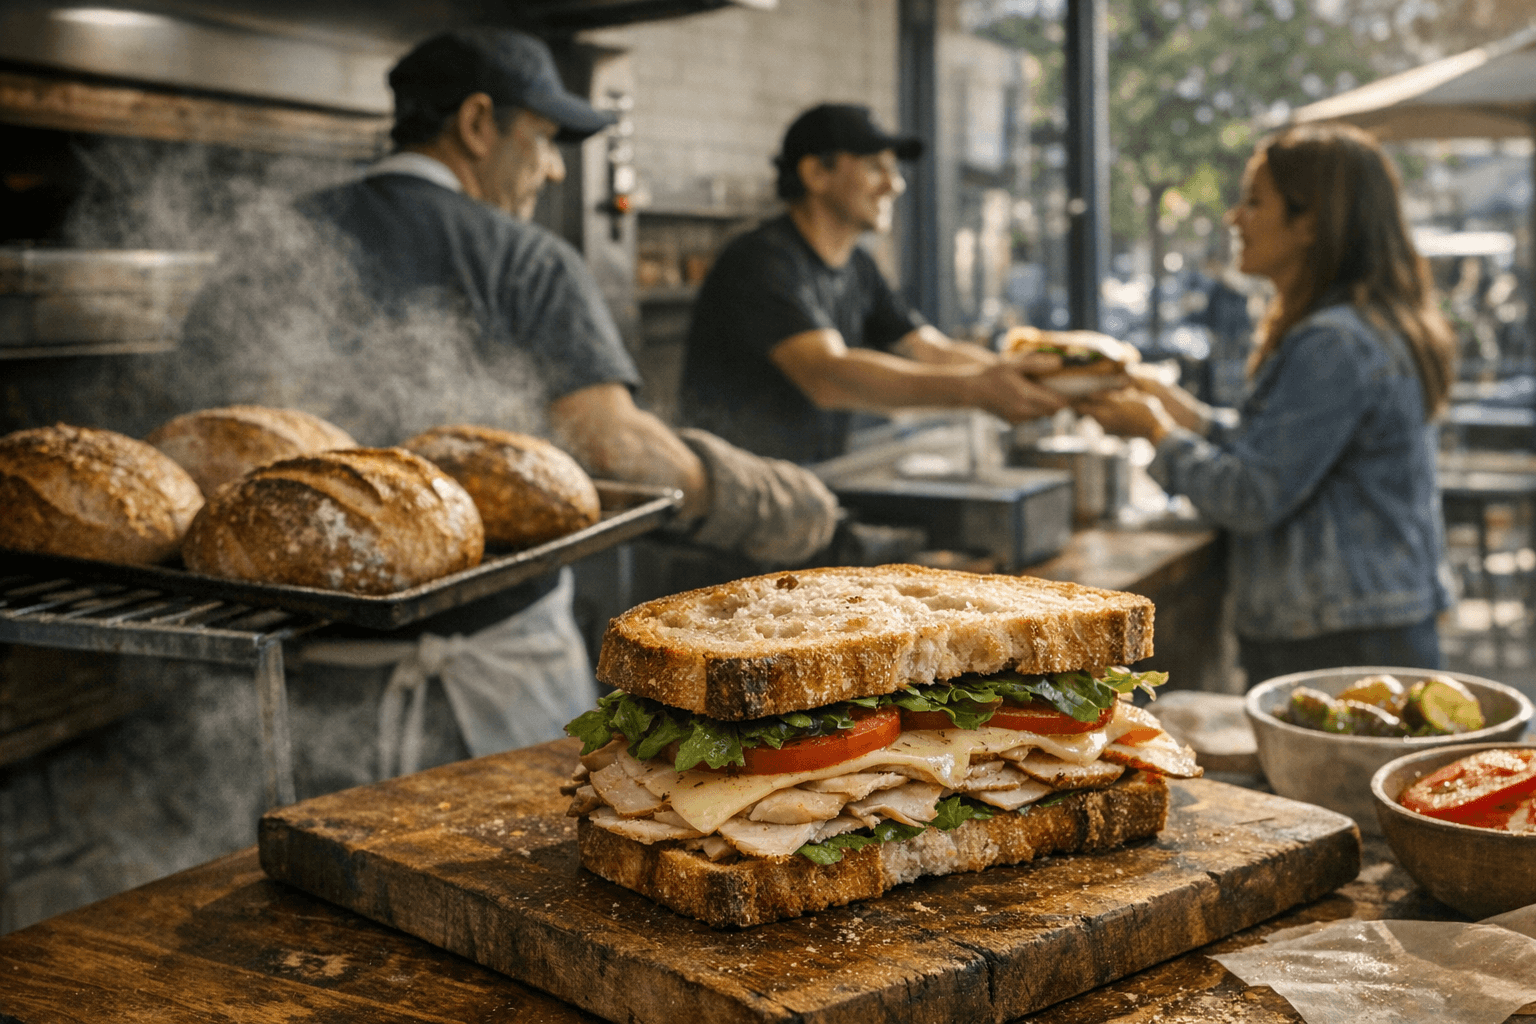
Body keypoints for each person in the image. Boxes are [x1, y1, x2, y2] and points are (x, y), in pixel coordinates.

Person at [182, 29, 840, 779]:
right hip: (488, 690)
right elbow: (614, 447)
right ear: (476, 123)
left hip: (299, 692)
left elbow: (202, 447)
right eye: (545, 138)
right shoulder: (525, 259)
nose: (556, 168)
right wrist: (765, 500)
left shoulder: (268, 244)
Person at [1077, 123, 1457, 685]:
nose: (1235, 218)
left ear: (1311, 223)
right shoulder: (1361, 326)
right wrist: (1171, 406)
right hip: (1364, 622)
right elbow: (1279, 448)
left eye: (1255, 202)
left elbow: (1252, 494)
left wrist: (1155, 433)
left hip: (1339, 638)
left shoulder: (1334, 343)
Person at [679, 103, 1068, 464]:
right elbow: (827, 375)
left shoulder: (859, 266)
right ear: (816, 174)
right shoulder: (761, 260)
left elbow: (927, 349)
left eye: (894, 169)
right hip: (732, 492)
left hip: (811, 480)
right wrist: (976, 390)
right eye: (874, 167)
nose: (894, 184)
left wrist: (1035, 380)